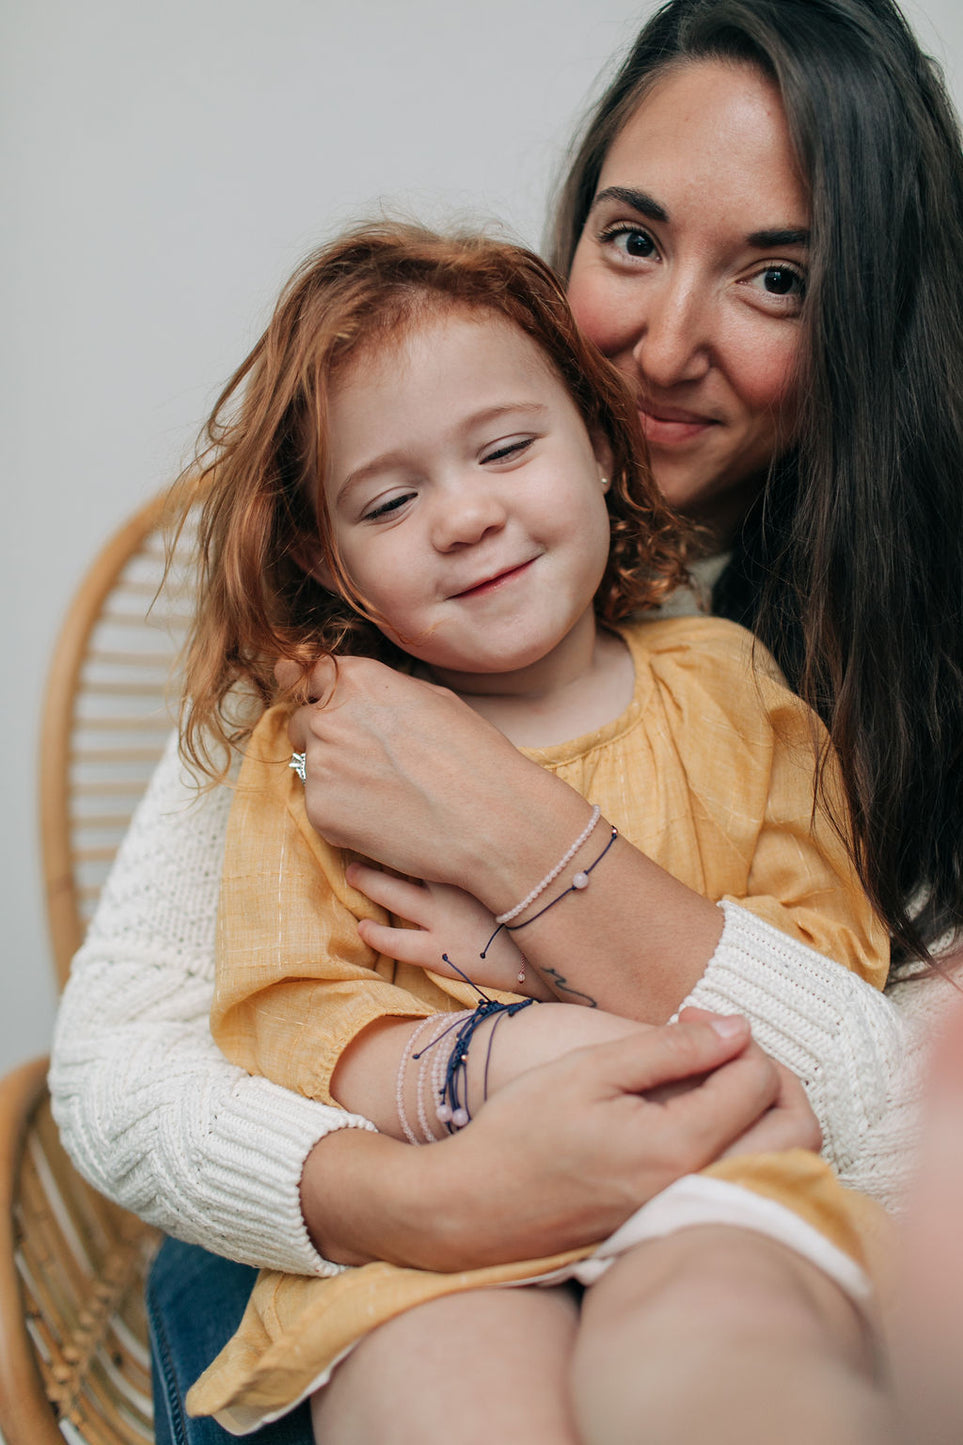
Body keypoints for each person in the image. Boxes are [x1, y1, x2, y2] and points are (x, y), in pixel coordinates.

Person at [48, 0, 961, 1440]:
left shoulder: (772, 685)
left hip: (717, 1198)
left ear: (872, 316)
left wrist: (524, 865)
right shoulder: (330, 672)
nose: (663, 342)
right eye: (632, 239)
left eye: (776, 278)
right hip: (389, 1233)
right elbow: (157, 1054)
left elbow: (895, 1110)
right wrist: (452, 1173)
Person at [154, 220, 888, 1433]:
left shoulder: (729, 688)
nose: (463, 516)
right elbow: (289, 1019)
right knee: (452, 1389)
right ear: (327, 559)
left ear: (598, 440)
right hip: (444, 1223)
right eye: (390, 500)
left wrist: (527, 965)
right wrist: (495, 1062)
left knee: (730, 1344)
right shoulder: (327, 747)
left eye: (505, 448)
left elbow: (822, 963)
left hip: (710, 1175)